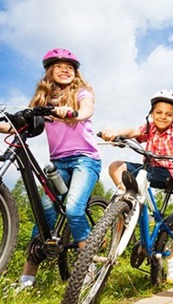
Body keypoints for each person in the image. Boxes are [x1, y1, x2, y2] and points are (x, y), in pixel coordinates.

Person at [15, 48, 102, 290]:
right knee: (45, 214)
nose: (65, 70)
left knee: (74, 208)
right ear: (49, 71)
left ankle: (88, 265)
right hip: (59, 162)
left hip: (86, 160)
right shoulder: (42, 101)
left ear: (76, 73)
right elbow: (21, 126)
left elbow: (86, 110)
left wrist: (70, 112)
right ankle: (27, 279)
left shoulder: (82, 93)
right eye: (59, 66)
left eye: (70, 67)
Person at [100, 89, 173, 284]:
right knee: (115, 167)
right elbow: (132, 132)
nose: (163, 117)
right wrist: (115, 133)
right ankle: (129, 202)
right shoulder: (149, 128)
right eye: (158, 112)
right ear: (152, 113)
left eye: (168, 114)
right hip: (153, 170)